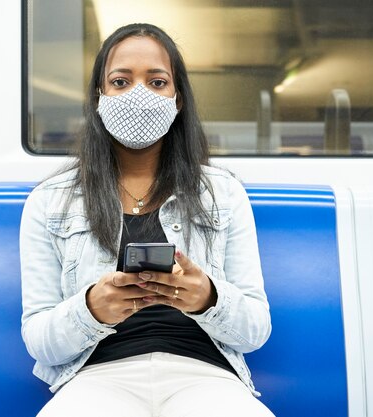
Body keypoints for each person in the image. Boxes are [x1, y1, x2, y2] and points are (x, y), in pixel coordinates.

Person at [20, 23, 274, 417]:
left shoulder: (223, 194)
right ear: (99, 97)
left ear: (179, 100)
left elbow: (255, 330)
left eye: (157, 82)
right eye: (120, 82)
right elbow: (39, 341)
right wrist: (92, 308)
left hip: (204, 375)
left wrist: (208, 298)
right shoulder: (49, 202)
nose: (138, 95)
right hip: (98, 378)